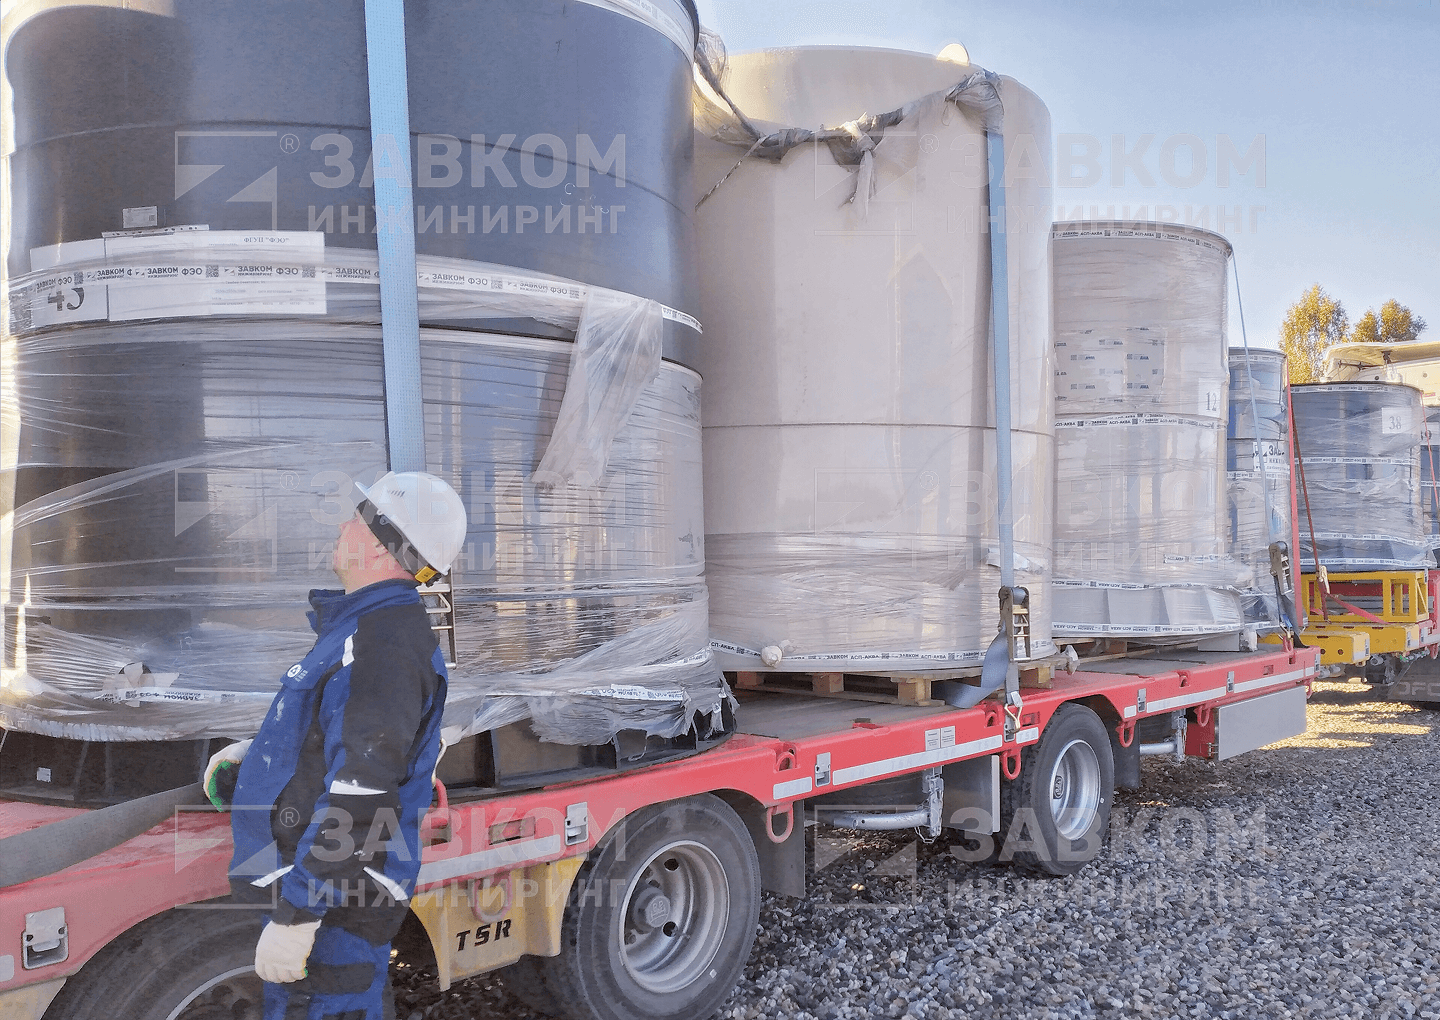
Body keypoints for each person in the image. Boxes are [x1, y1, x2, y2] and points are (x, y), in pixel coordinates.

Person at [203, 470, 468, 1020]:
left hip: (336, 907)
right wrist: (264, 757)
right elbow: (343, 736)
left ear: (379, 547)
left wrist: (298, 915)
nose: (344, 525)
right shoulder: (362, 630)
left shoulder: (380, 647)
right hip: (326, 895)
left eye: (356, 517)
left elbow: (362, 795)